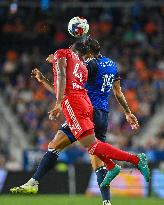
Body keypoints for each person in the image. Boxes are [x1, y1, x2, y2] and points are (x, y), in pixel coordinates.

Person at [10, 40, 150, 205]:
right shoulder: (112, 64)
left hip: (86, 110)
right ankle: (107, 200)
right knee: (96, 159)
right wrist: (128, 112)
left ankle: (131, 160)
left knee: (61, 146)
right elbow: (118, 91)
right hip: (102, 114)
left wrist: (54, 68)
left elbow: (70, 85)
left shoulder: (88, 65)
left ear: (88, 53)